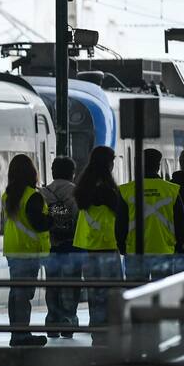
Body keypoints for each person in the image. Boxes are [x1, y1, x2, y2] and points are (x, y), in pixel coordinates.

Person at [72, 146, 127, 345]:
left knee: (95, 292)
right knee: (113, 291)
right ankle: (109, 331)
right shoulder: (105, 189)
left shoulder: (84, 185)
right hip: (106, 243)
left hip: (88, 246)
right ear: (108, 163)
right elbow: (120, 211)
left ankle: (97, 330)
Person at [3, 154, 51, 347]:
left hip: (13, 249)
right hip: (29, 250)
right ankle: (21, 335)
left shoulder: (8, 195)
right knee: (23, 295)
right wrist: (52, 220)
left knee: (16, 293)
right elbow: (39, 224)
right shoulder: (33, 196)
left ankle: (17, 332)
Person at [119, 148, 184, 280]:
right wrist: (180, 244)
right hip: (163, 250)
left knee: (135, 293)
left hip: (134, 251)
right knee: (161, 294)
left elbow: (120, 222)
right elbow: (180, 221)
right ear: (158, 166)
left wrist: (121, 244)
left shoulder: (126, 190)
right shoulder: (171, 190)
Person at [41, 156, 80, 338]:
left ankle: (52, 321)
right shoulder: (76, 192)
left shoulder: (44, 192)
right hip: (72, 246)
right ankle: (68, 320)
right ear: (72, 173)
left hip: (51, 247)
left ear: (53, 171)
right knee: (71, 285)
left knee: (52, 285)